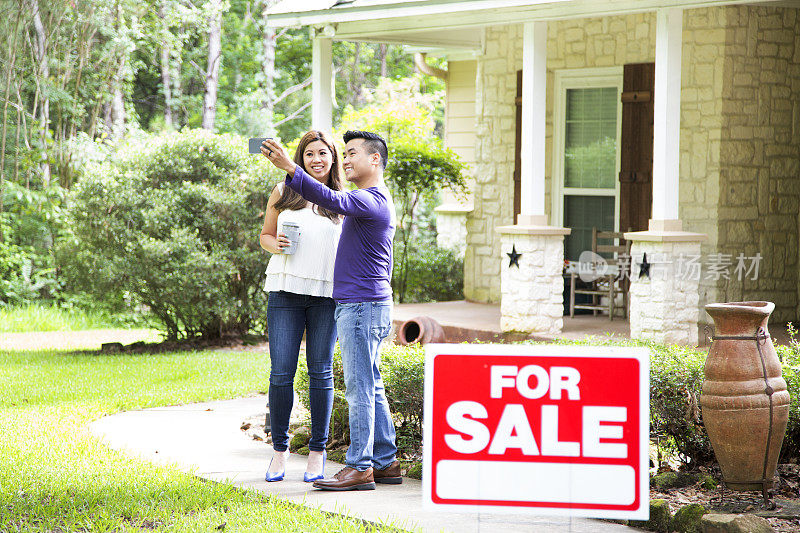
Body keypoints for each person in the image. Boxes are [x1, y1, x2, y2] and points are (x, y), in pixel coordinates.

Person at [261, 130, 401, 491]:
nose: (347, 159)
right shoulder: (373, 198)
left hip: (360, 307)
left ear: (375, 159)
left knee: (359, 388)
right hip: (365, 304)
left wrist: (289, 167)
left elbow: (325, 196)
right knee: (372, 385)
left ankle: (359, 467)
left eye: (353, 153)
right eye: (347, 153)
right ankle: (386, 462)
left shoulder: (370, 200)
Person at [259, 130, 343, 483]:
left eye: (323, 153)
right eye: (309, 154)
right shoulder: (283, 192)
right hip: (285, 292)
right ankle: (279, 451)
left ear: (333, 158)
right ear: (300, 158)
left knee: (321, 372)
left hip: (327, 295)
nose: (316, 160)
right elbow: (264, 235)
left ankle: (318, 451)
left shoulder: (342, 198)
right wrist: (274, 244)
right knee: (281, 373)